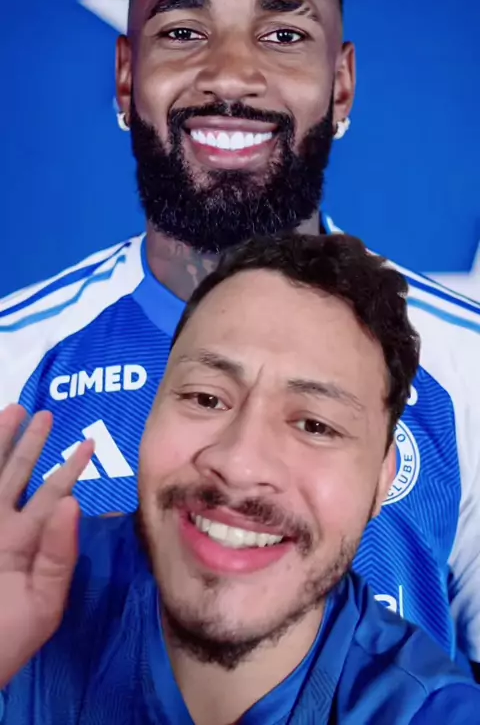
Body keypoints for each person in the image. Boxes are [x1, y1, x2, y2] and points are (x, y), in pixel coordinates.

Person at [0, 0, 479, 673]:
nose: (229, 74)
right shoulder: (16, 361)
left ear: (342, 84)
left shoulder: (468, 368)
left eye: (283, 35)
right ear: (126, 76)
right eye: (183, 32)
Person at [1, 233, 479, 724]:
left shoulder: (432, 712)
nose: (240, 464)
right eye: (206, 398)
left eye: (315, 425)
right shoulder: (20, 597)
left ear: (382, 481)